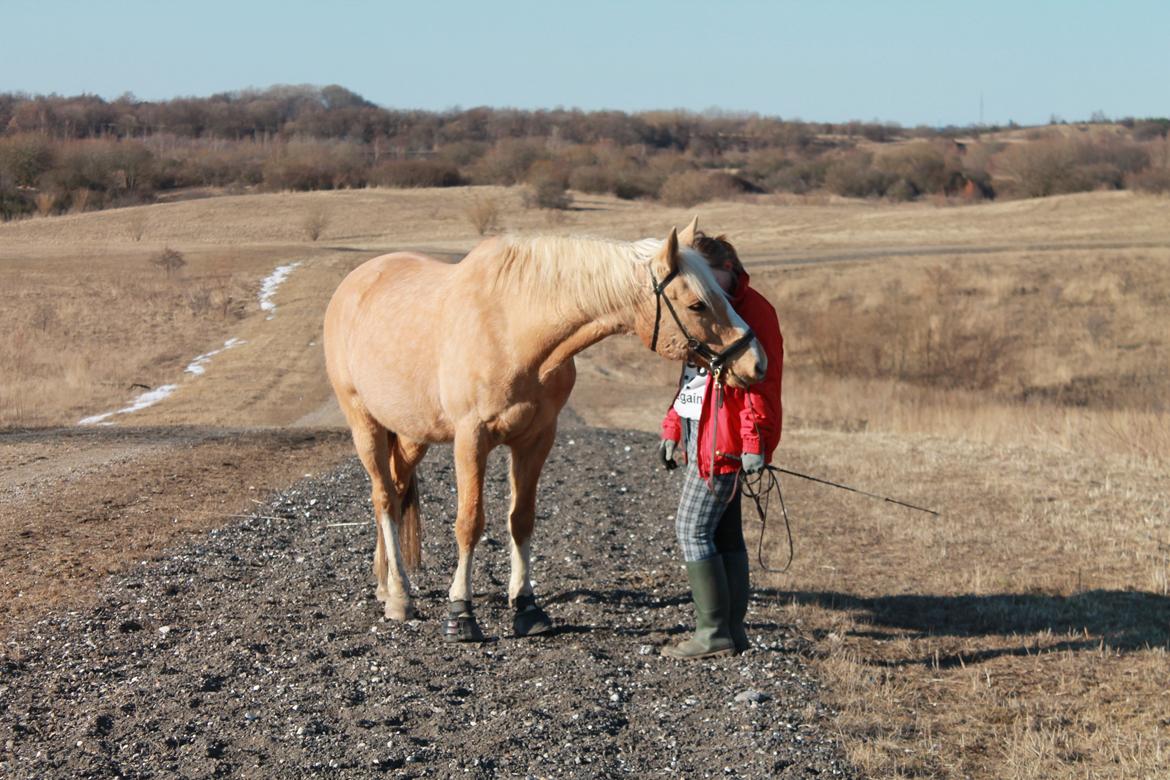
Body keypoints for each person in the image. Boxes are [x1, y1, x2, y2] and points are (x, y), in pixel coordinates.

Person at [659, 232, 784, 659]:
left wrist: (755, 443)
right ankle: (733, 631)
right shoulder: (707, 306)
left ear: (728, 271)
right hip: (704, 434)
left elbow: (759, 385)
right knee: (725, 534)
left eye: (707, 278)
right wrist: (674, 426)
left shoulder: (754, 313)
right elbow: (691, 378)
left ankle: (713, 633)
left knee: (691, 529)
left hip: (726, 441)